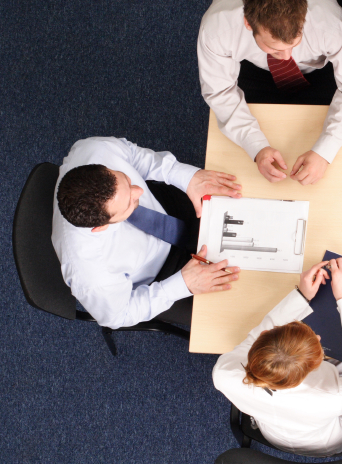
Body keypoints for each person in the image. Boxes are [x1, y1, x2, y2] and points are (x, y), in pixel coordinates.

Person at [198, 0, 342, 186]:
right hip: (254, 69)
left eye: (295, 42)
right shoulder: (217, 30)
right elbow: (220, 93)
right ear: (248, 23)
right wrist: (256, 146)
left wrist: (325, 150)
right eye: (274, 47)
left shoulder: (327, 24)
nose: (287, 56)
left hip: (318, 70)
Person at [52, 137, 242, 329]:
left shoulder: (96, 149)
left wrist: (186, 176)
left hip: (163, 208)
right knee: (232, 311)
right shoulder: (90, 275)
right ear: (100, 227)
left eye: (126, 179)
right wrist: (181, 285)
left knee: (239, 201)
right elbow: (120, 315)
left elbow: (134, 156)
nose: (139, 191)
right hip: (162, 277)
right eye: (128, 203)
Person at [212, 257, 342, 456]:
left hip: (273, 432)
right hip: (330, 440)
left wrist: (301, 295)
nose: (318, 336)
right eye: (317, 342)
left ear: (265, 337)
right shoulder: (333, 397)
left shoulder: (224, 373)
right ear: (315, 365)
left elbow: (255, 337)